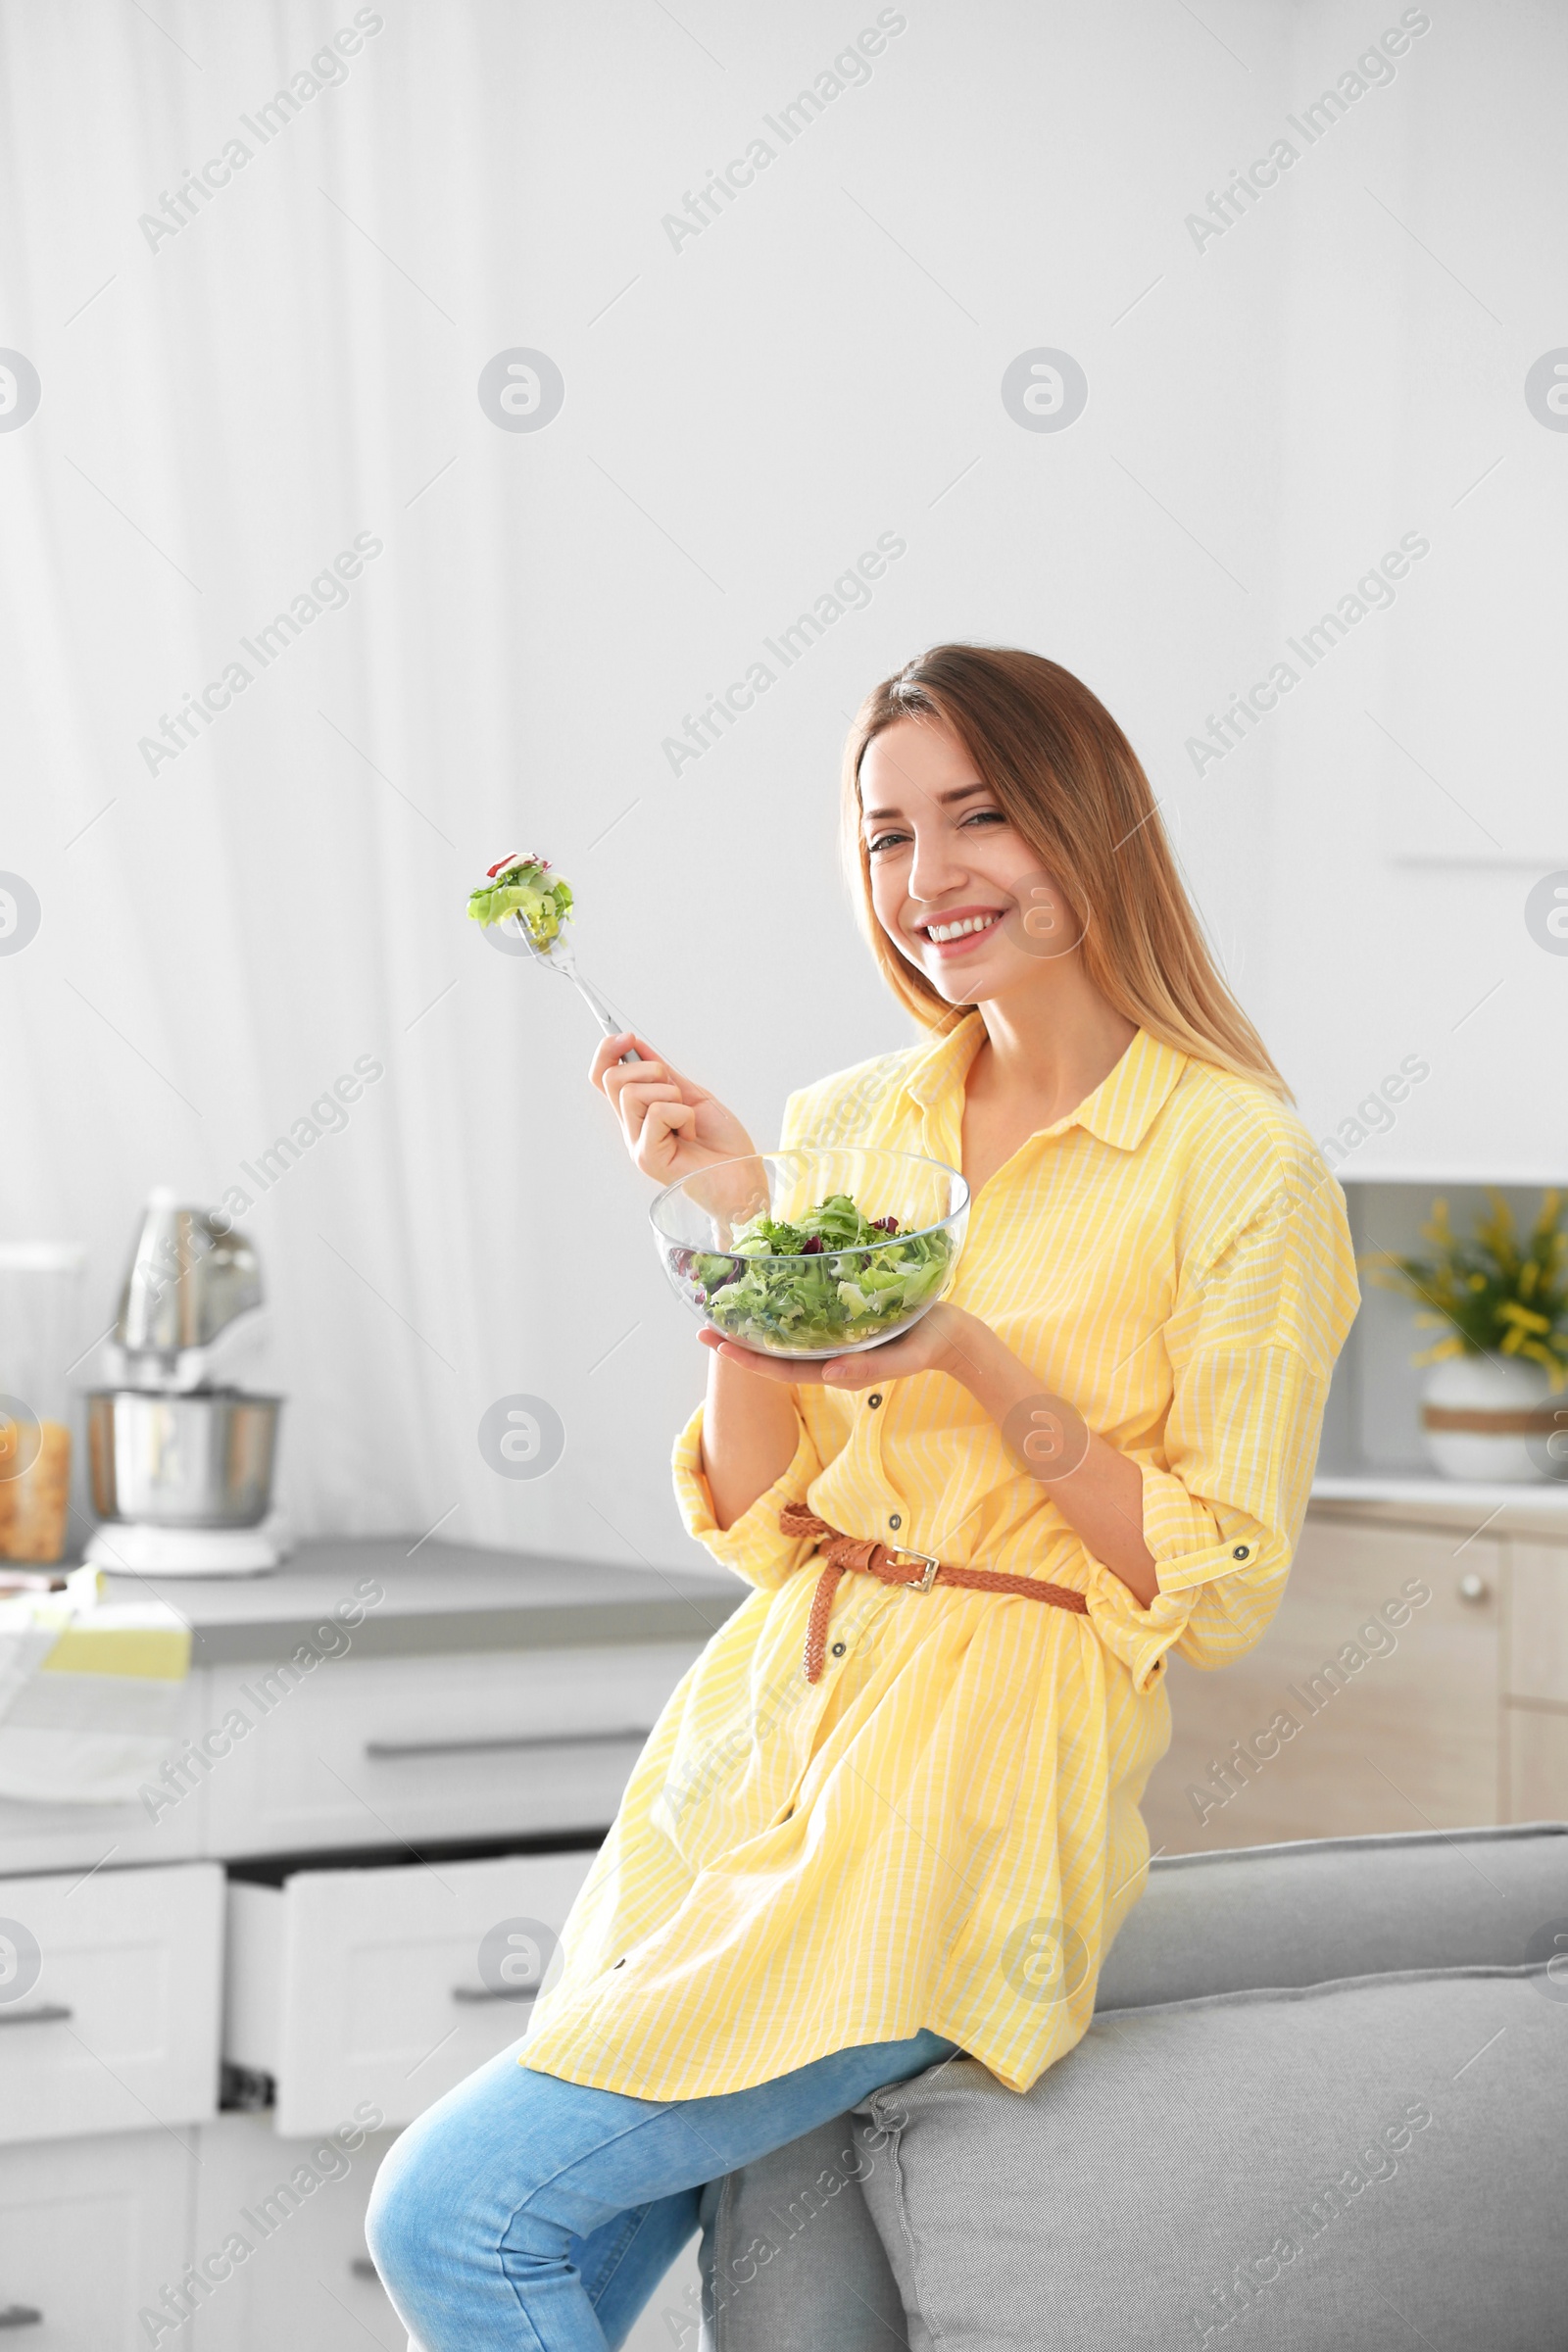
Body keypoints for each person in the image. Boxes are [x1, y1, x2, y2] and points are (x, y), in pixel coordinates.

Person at [367, 644, 1359, 2350]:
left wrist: (972, 1351)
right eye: (887, 835)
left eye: (980, 817)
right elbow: (763, 1521)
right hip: (754, 1754)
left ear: (1091, 824)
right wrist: (738, 1230)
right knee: (550, 2262)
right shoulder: (846, 1125)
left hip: (966, 1797)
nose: (929, 879)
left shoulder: (1239, 1162)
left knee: (454, 2214)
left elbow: (1223, 1582)